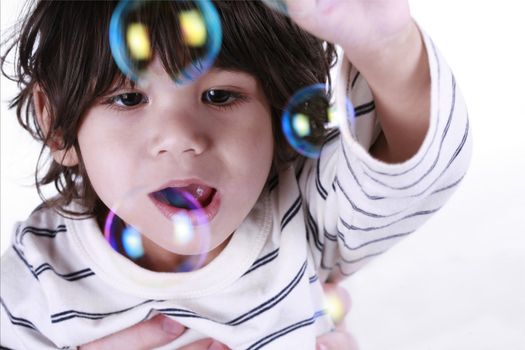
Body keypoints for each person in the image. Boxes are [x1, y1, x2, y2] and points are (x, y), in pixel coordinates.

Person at [0, 0, 472, 349]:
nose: (181, 137)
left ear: (276, 108)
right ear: (56, 121)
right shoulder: (37, 274)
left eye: (220, 96)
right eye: (129, 99)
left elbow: (415, 172)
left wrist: (387, 46)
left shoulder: (304, 214)